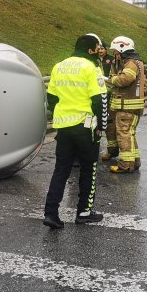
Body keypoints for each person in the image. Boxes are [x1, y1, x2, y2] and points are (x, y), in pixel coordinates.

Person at [43, 34, 108, 229]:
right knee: (89, 169)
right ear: (90, 50)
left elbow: (51, 97)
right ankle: (84, 212)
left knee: (61, 170)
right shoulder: (92, 68)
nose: (98, 51)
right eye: (97, 48)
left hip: (63, 127)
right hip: (86, 126)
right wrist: (101, 126)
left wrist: (62, 114)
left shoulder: (59, 66)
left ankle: (51, 213)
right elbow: (100, 99)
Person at [104, 36, 146, 173]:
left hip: (127, 107)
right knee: (130, 134)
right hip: (132, 106)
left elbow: (126, 79)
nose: (115, 54)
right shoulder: (136, 62)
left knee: (124, 134)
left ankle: (126, 164)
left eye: (116, 51)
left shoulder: (131, 63)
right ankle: (135, 161)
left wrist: (112, 79)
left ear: (123, 49)